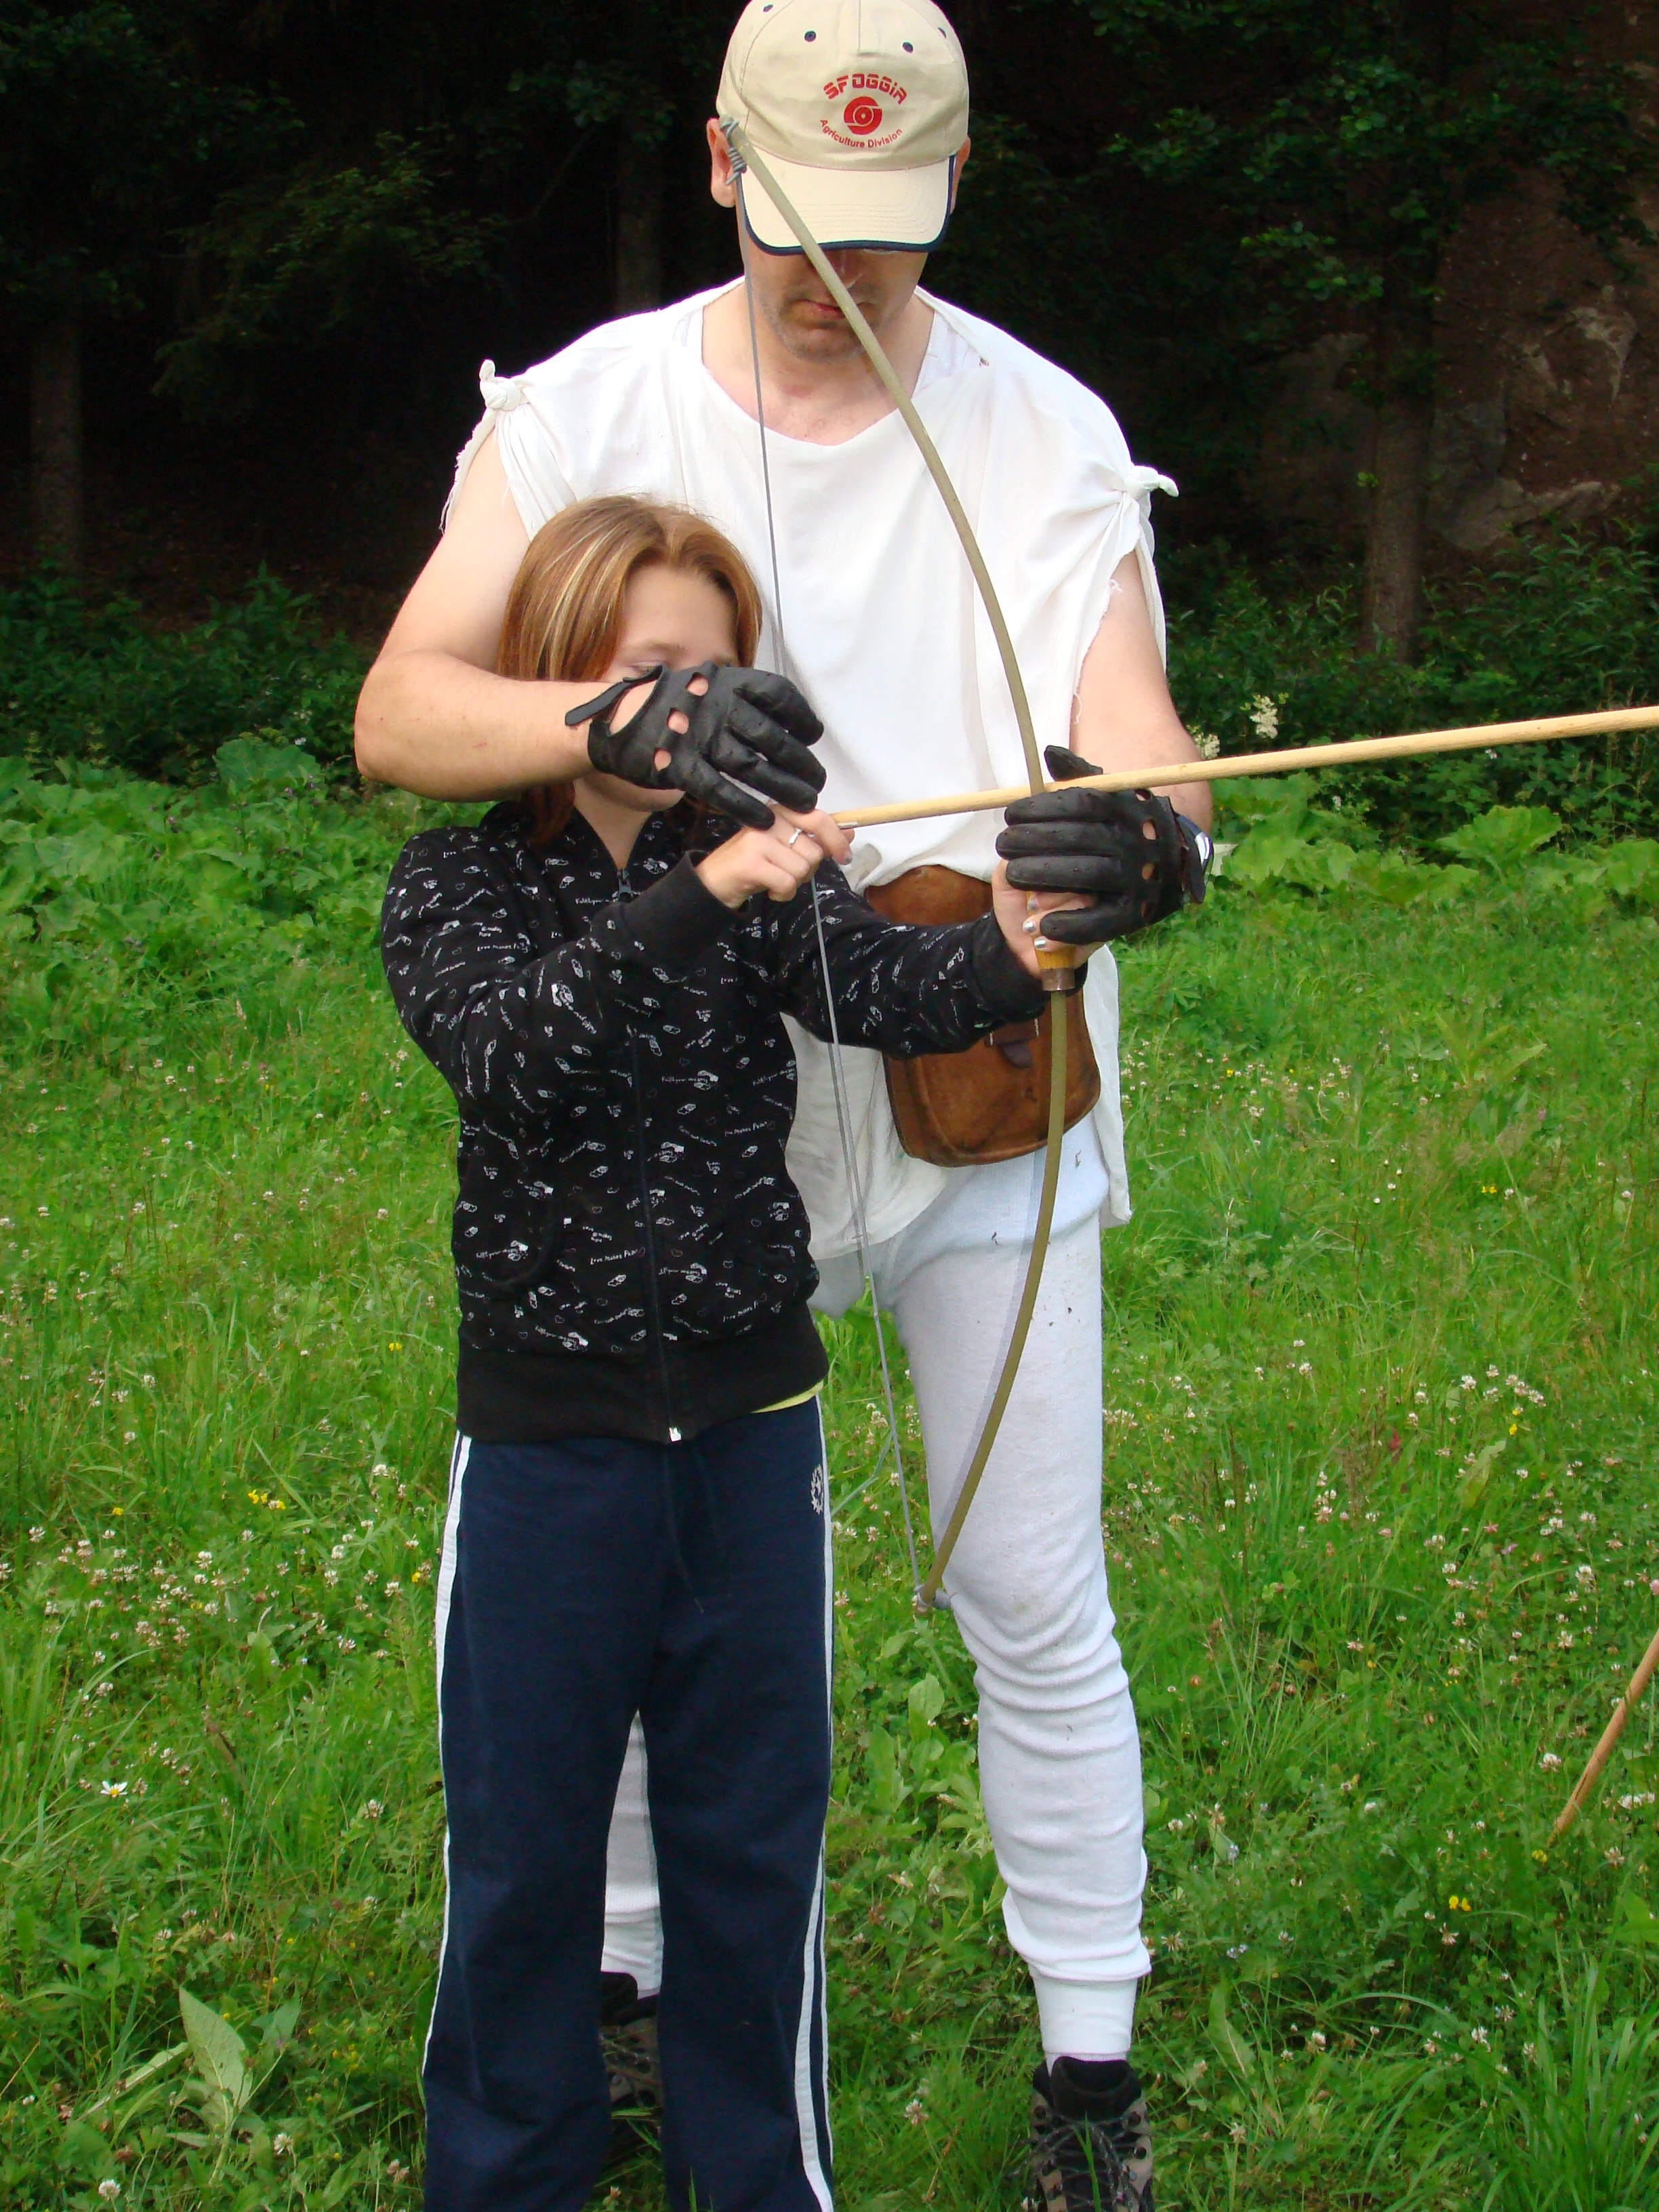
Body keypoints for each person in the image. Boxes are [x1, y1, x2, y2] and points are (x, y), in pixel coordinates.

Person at [356, 3, 1214, 2204]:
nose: (842, 275)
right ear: (725, 167)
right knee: (637, 1575)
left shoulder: (1041, 427)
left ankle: (1088, 2072)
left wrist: (1154, 843)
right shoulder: (583, 413)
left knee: (1027, 1580)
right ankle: (634, 1998)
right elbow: (406, 711)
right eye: (802, 221)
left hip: (965, 1061)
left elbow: (1140, 733)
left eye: (892, 229)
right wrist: (620, 716)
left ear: (954, 188)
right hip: (665, 1107)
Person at [384, 493, 1096, 2212]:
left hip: (753, 1427)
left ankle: (762, 2178)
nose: (700, 713)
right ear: (566, 676)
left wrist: (1033, 935)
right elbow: (514, 1057)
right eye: (659, 675)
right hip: (547, 1443)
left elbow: (899, 993)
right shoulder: (463, 876)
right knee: (526, 1858)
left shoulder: (758, 860)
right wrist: (704, 890)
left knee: (752, 1854)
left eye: (720, 675)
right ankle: (508, 2177)